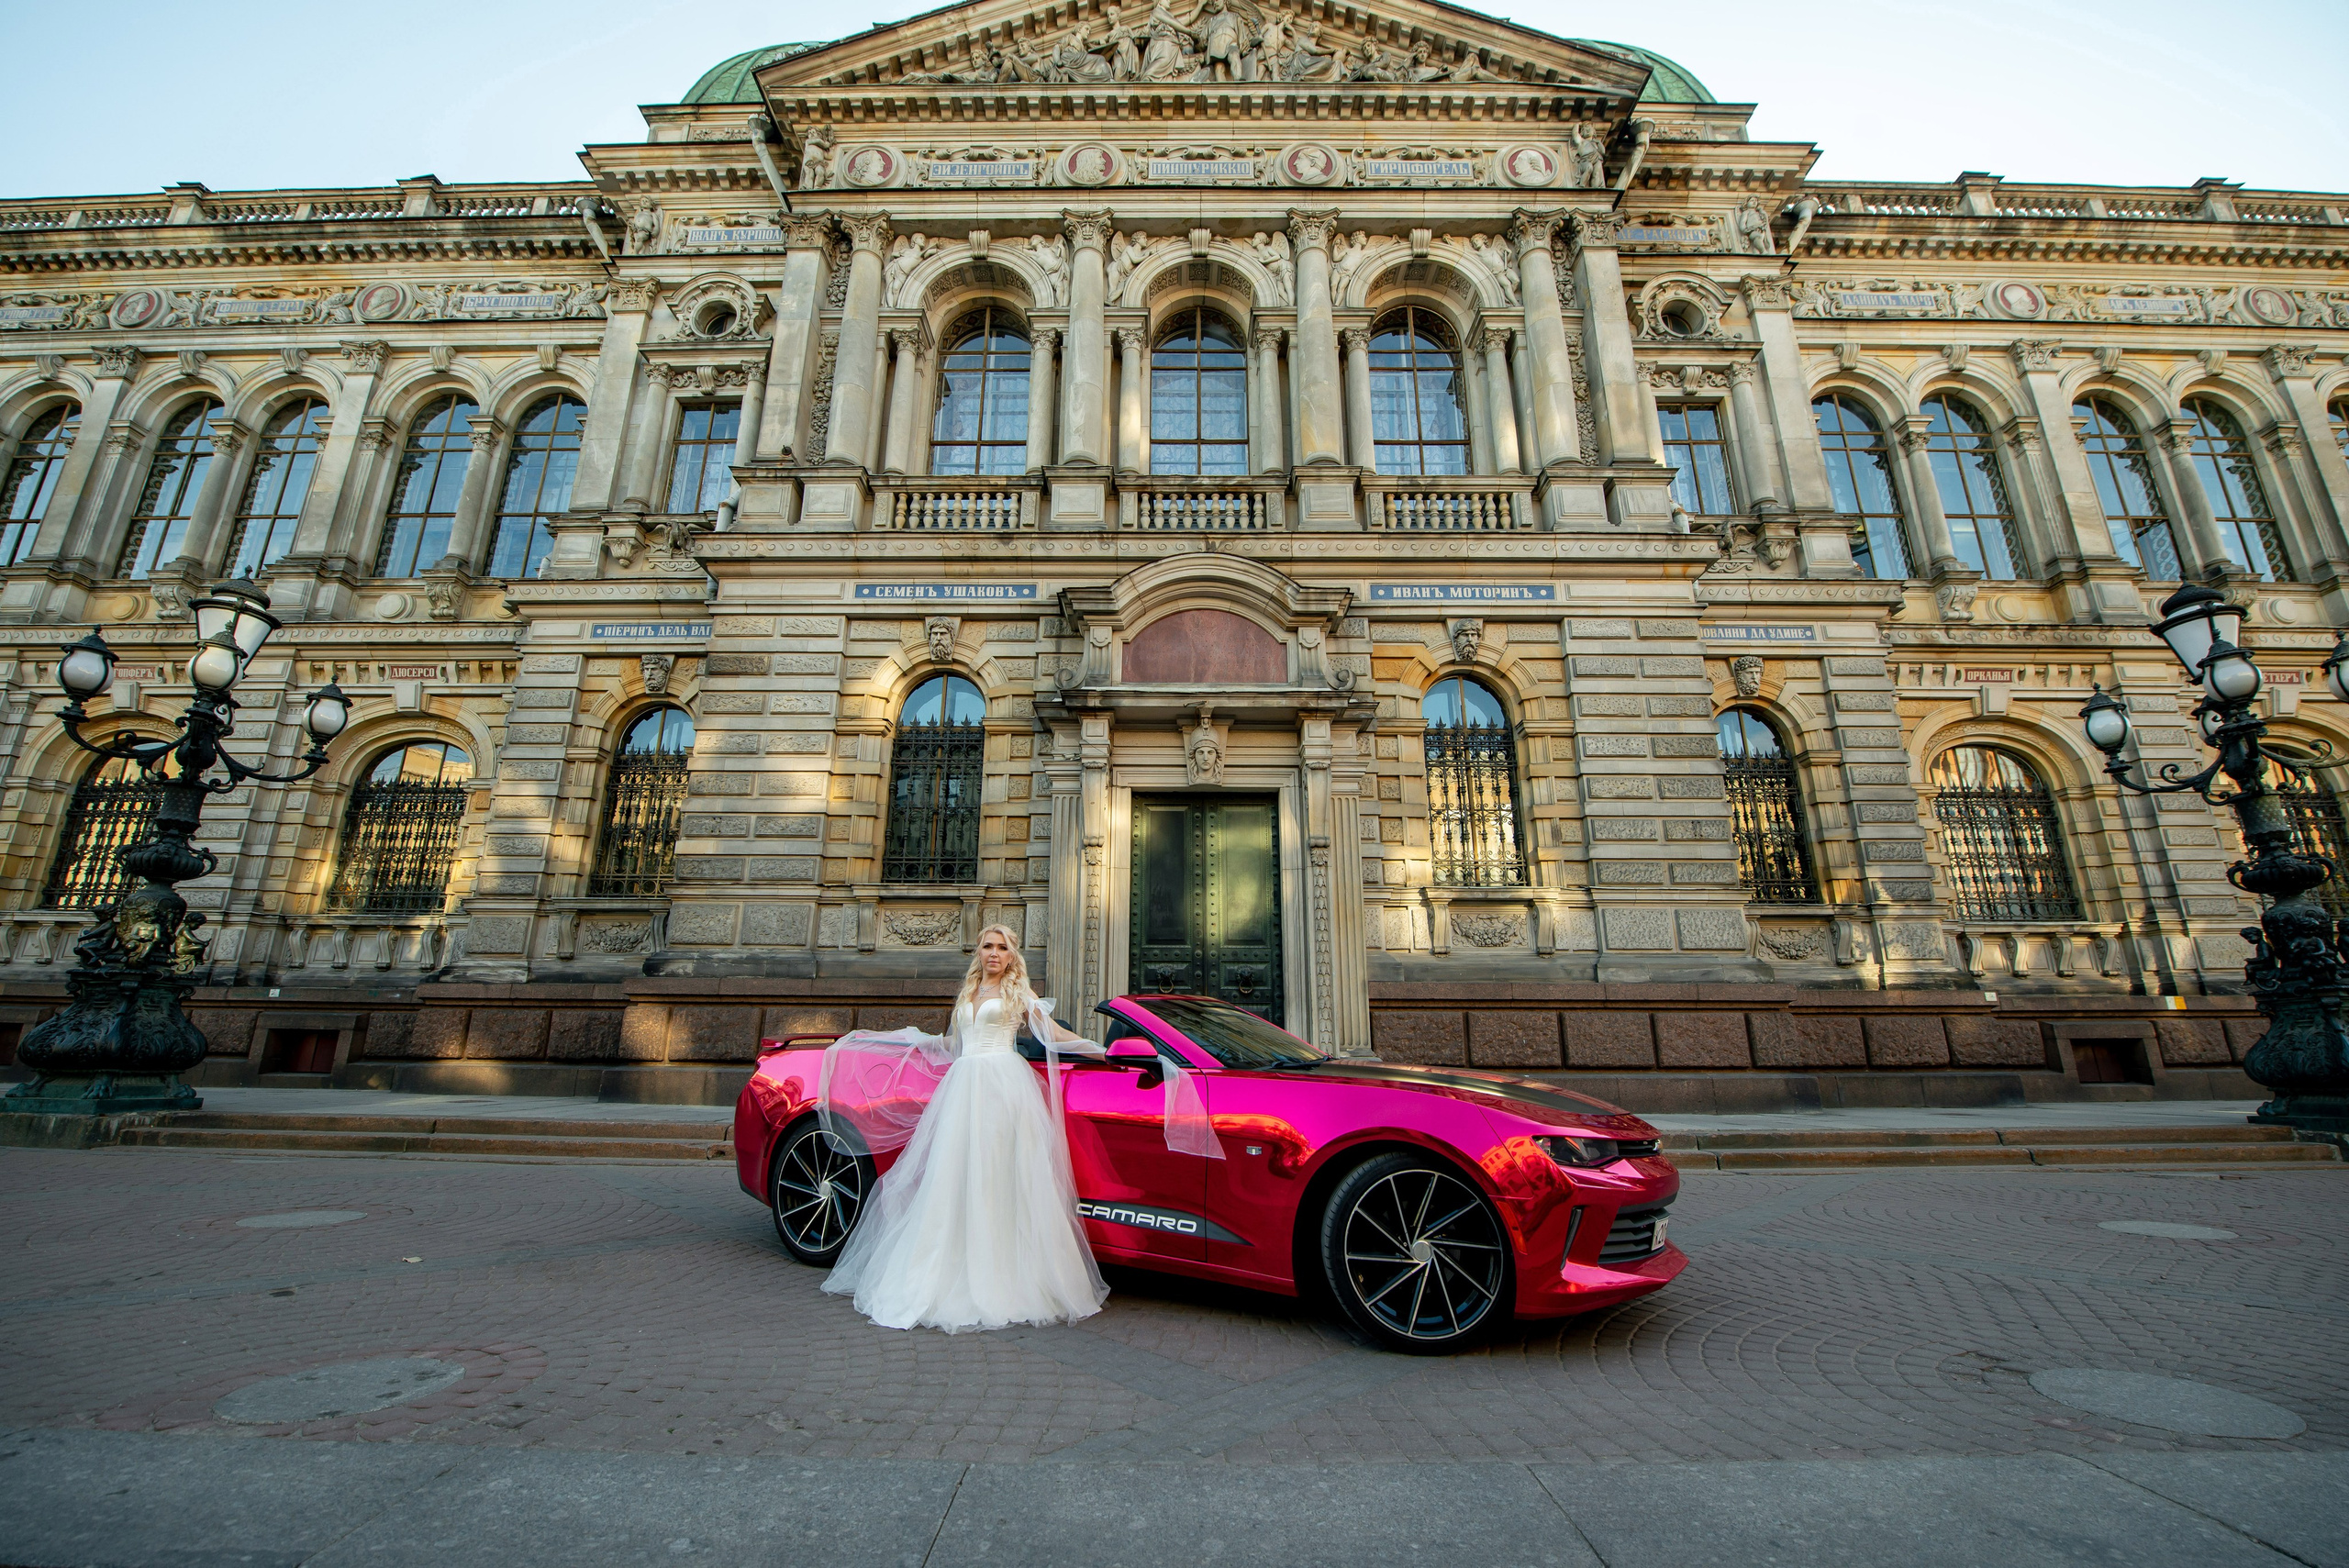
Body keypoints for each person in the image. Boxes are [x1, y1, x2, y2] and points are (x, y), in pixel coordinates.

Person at [820, 926, 1110, 1333]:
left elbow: (1054, 1034)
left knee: (998, 1175)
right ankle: (949, 1267)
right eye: (987, 946)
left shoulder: (1019, 994)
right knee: (953, 1175)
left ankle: (1005, 1275)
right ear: (978, 952)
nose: (994, 953)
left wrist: (1099, 1049)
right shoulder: (968, 993)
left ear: (1012, 955)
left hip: (1004, 1088)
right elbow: (953, 1044)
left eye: (1002, 947)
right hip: (963, 1089)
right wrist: (905, 1041)